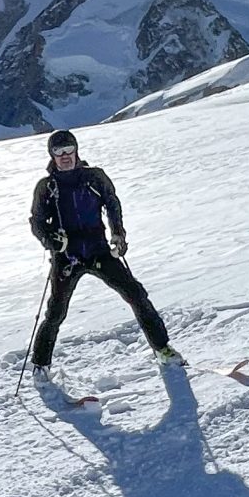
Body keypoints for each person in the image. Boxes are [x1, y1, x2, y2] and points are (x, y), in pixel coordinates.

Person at [28, 128, 176, 370]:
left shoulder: (94, 177)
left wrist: (118, 234)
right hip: (67, 257)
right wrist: (51, 241)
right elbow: (37, 221)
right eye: (59, 151)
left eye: (69, 150)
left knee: (137, 295)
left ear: (76, 151)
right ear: (52, 155)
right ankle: (40, 364)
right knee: (55, 313)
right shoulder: (46, 187)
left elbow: (112, 204)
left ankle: (163, 349)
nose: (65, 155)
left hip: (99, 250)